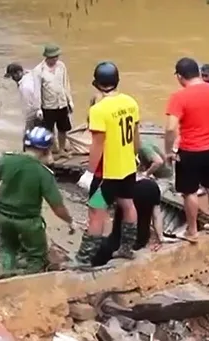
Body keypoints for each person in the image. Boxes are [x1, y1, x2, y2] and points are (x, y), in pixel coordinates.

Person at [164, 57, 209, 242]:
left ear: (180, 77)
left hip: (189, 149)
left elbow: (171, 128)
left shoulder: (179, 97)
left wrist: (168, 151)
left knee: (189, 191)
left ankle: (192, 231)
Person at [77, 62, 141, 262]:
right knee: (128, 204)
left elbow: (98, 144)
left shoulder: (99, 109)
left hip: (105, 173)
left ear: (96, 83)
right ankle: (127, 248)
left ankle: (85, 258)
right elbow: (136, 136)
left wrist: (89, 172)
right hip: (128, 167)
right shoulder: (131, 102)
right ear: (117, 81)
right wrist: (135, 154)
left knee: (96, 211)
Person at [0, 127, 75, 274]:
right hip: (29, 223)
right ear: (46, 151)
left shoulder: (5, 160)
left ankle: (5, 276)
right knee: (36, 256)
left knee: (7, 249)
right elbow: (57, 206)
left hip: (2, 216)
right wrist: (70, 221)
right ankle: (31, 283)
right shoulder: (43, 173)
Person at [91, 179, 171, 266]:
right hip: (140, 240)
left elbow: (97, 206)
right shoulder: (153, 188)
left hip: (117, 239)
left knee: (100, 250)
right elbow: (156, 216)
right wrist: (161, 238)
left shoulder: (123, 189)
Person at [33, 44, 74, 157]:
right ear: (47, 57)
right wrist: (38, 108)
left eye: (56, 56)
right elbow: (37, 90)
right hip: (48, 106)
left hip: (61, 103)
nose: (55, 59)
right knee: (48, 131)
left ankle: (61, 150)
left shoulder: (61, 66)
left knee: (63, 128)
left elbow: (66, 84)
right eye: (53, 57)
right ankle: (49, 153)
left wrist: (69, 100)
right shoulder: (39, 70)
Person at [4, 63, 42, 135]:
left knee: (29, 138)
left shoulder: (24, 87)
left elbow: (30, 105)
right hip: (42, 110)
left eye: (13, 76)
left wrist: (30, 120)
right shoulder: (30, 75)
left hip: (34, 114)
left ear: (19, 73)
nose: (12, 79)